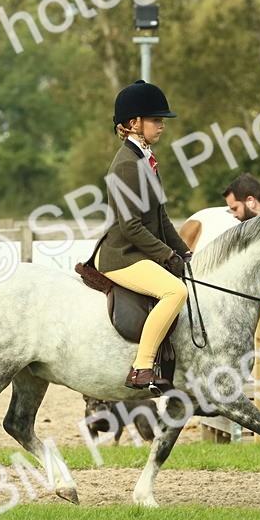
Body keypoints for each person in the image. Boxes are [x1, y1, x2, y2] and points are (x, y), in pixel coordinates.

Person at [95, 80, 191, 392]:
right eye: (156, 119)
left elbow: (160, 217)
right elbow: (130, 227)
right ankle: (142, 367)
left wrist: (185, 252)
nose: (162, 125)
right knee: (175, 292)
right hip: (122, 256)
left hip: (139, 251)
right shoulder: (126, 164)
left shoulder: (145, 159)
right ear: (134, 123)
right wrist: (166, 255)